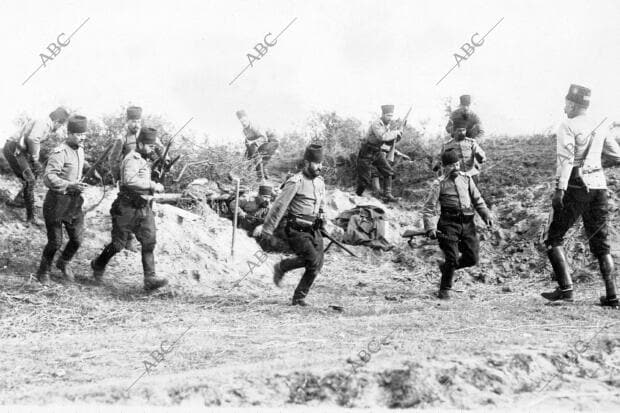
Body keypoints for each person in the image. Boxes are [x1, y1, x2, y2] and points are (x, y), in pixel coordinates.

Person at [542, 84, 620, 307]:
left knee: (553, 237)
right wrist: (594, 165)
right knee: (601, 242)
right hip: (599, 187)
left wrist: (560, 189)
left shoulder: (567, 125)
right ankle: (612, 296)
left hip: (576, 188)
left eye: (567, 102)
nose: (564, 106)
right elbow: (616, 155)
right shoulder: (600, 124)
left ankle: (566, 290)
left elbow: (565, 161)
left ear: (574, 104)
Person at [90, 127, 168, 291]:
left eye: (153, 146)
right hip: (126, 208)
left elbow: (144, 179)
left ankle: (150, 278)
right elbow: (130, 182)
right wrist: (153, 185)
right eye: (149, 146)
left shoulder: (144, 160)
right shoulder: (132, 158)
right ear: (140, 143)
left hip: (142, 207)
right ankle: (98, 264)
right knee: (118, 245)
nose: (152, 149)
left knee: (149, 241)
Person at [261, 144, 326, 306]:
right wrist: (268, 229)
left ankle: (299, 298)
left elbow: (321, 201)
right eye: (316, 163)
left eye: (321, 163)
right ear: (306, 162)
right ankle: (282, 267)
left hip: (313, 228)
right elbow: (279, 206)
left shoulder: (320, 182)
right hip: (296, 230)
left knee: (318, 264)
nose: (320, 167)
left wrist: (322, 214)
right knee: (312, 259)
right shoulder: (295, 182)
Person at [423, 149, 492, 299]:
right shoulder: (438, 184)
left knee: (472, 258)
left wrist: (486, 214)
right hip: (448, 224)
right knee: (452, 257)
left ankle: (446, 267)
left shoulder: (467, 179)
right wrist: (430, 227)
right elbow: (430, 207)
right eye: (451, 165)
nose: (456, 167)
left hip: (468, 223)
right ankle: (444, 289)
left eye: (457, 164)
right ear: (444, 166)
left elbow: (478, 200)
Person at [35, 115, 89, 284]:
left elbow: (76, 166)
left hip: (74, 203)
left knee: (77, 238)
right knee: (55, 241)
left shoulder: (80, 150)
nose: (83, 137)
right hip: (56, 202)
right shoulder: (60, 152)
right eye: (79, 134)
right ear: (69, 133)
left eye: (84, 134)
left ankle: (63, 262)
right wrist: (69, 185)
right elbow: (48, 177)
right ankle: (43, 271)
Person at [2, 107, 69, 225]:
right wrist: (35, 158)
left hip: (18, 149)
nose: (60, 128)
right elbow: (33, 139)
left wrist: (35, 160)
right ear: (57, 121)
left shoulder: (45, 124)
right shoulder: (44, 123)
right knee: (30, 179)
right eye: (61, 125)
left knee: (35, 172)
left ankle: (19, 200)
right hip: (14, 148)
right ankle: (30, 217)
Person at [356, 104, 401, 202]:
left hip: (377, 152)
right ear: (383, 114)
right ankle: (357, 196)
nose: (390, 118)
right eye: (388, 115)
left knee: (389, 172)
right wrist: (395, 133)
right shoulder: (376, 124)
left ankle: (388, 195)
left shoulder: (386, 126)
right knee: (364, 181)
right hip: (366, 153)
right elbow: (382, 137)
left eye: (391, 116)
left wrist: (397, 136)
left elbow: (388, 142)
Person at [439, 116, 486, 184]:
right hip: (455, 176)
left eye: (464, 130)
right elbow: (442, 161)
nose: (462, 133)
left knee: (474, 193)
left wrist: (480, 157)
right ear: (454, 131)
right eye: (459, 130)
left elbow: (481, 155)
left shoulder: (471, 143)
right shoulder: (447, 145)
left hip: (471, 174)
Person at [236, 110, 278, 180]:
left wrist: (253, 144)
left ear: (247, 119)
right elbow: (248, 143)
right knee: (251, 155)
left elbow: (263, 137)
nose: (243, 123)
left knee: (257, 157)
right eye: (241, 122)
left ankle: (261, 178)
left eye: (244, 120)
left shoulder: (254, 126)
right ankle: (266, 179)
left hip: (272, 141)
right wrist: (245, 157)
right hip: (262, 143)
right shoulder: (245, 131)